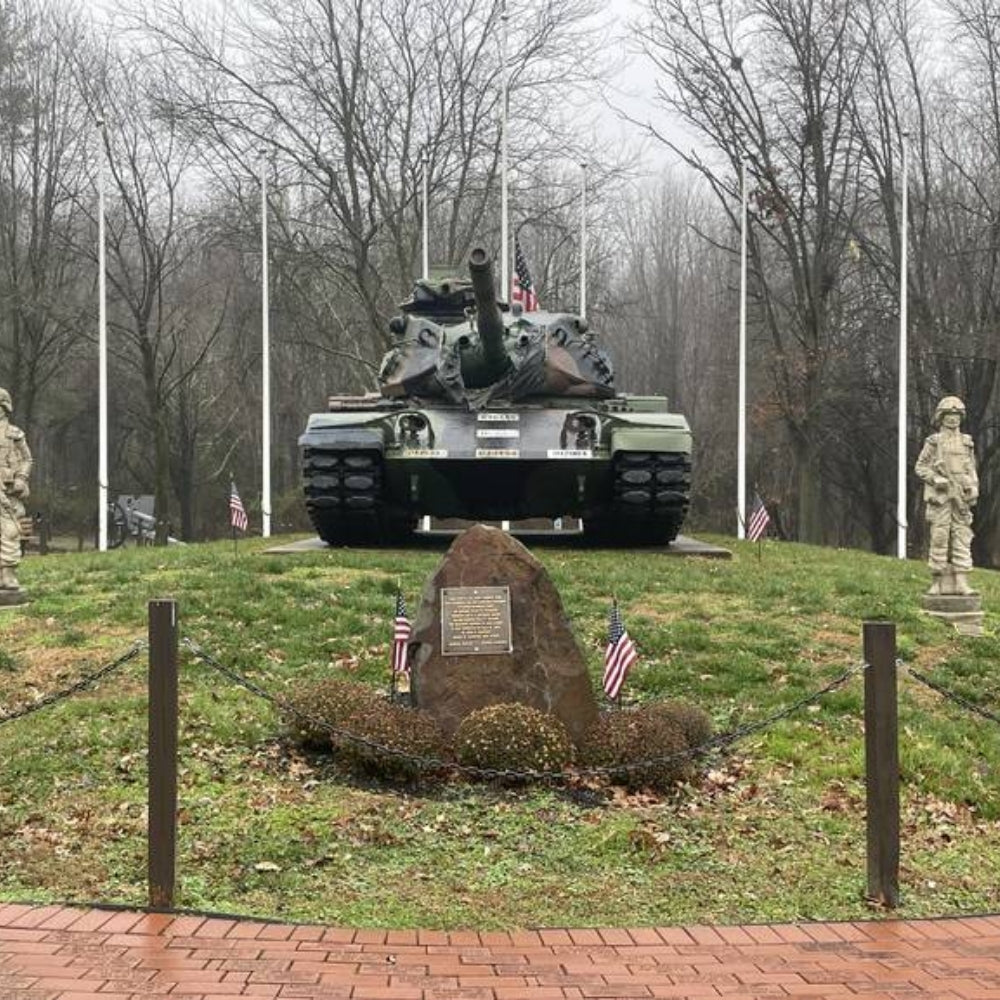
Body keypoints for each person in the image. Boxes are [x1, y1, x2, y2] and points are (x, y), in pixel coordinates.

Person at [914, 396, 978, 596]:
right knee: (940, 536)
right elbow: (921, 467)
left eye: (957, 415)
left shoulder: (967, 442)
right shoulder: (934, 442)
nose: (953, 419)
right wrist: (935, 480)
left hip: (961, 495)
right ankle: (937, 580)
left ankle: (961, 581)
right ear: (941, 417)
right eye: (949, 415)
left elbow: (971, 469)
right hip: (941, 497)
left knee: (962, 537)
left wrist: (974, 487)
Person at [0, 388, 32, 591]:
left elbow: (27, 459)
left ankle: (8, 573)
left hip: (9, 491)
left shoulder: (14, 434)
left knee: (11, 532)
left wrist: (21, 478)